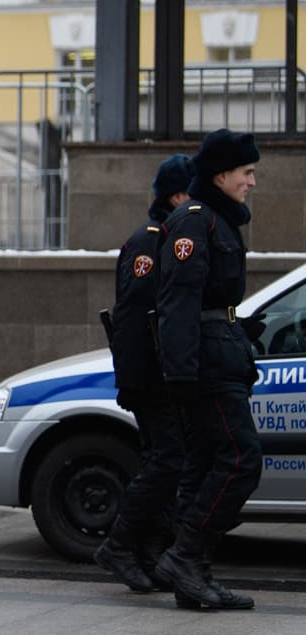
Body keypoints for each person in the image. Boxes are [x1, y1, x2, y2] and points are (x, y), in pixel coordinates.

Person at [152, 129, 262, 610]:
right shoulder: (195, 222)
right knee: (242, 459)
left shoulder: (217, 220)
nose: (252, 182)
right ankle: (185, 556)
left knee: (204, 467)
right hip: (206, 359)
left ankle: (193, 573)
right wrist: (181, 373)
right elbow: (179, 302)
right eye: (247, 173)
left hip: (220, 350)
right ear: (221, 175)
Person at [94, 154, 195, 594]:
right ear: (176, 196)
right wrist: (144, 376)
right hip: (150, 374)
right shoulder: (150, 241)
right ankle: (120, 545)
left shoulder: (169, 236)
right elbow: (140, 315)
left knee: (168, 460)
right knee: (167, 459)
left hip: (160, 372)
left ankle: (150, 551)